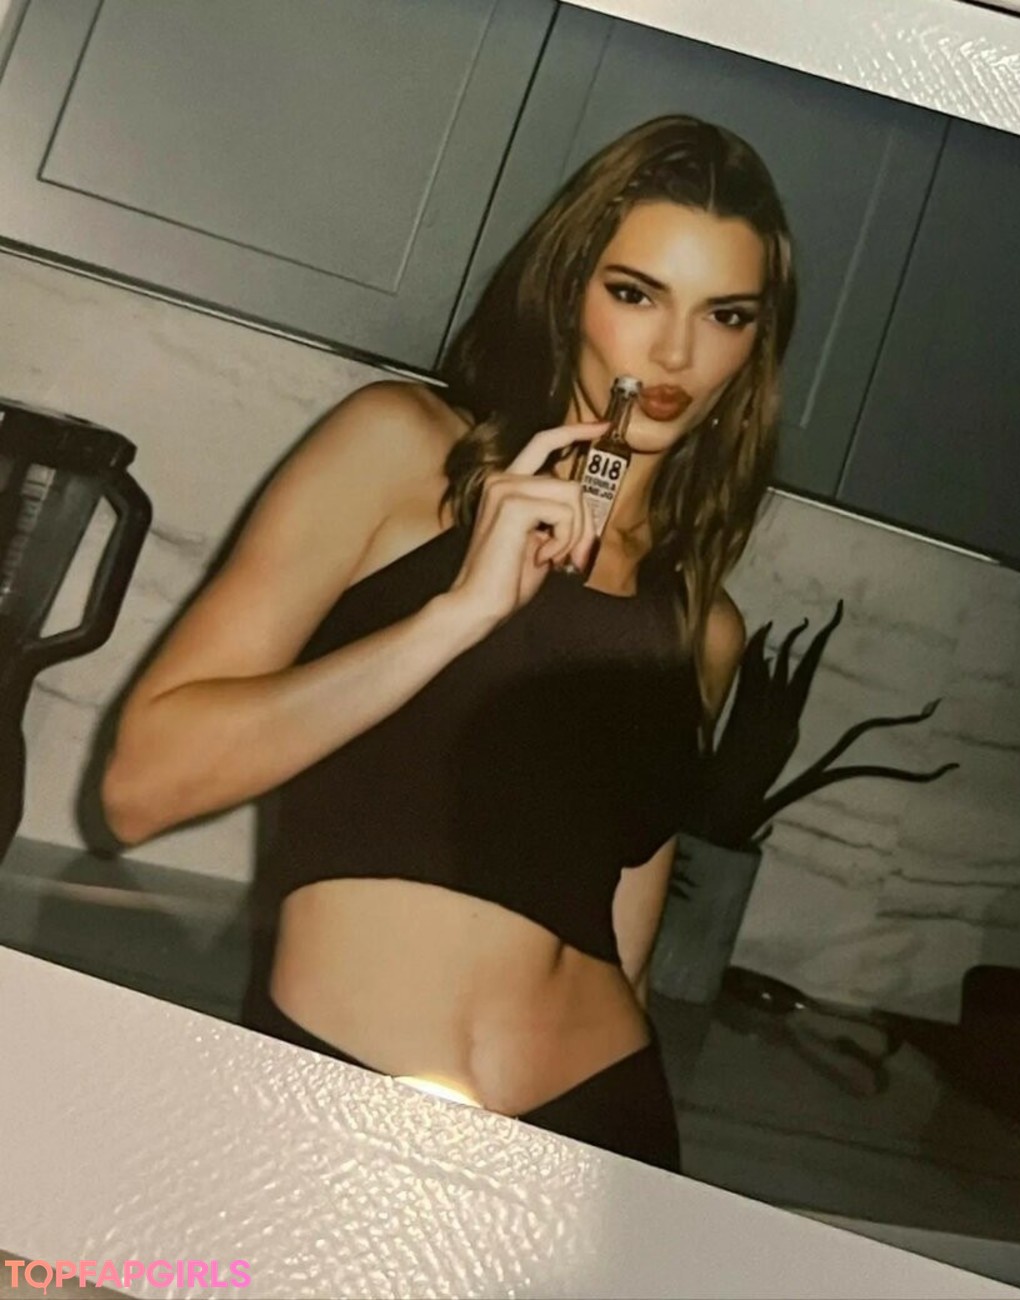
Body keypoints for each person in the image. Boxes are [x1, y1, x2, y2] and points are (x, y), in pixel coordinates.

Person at [101, 115, 796, 1172]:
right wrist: (458, 614)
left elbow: (625, 935)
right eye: (635, 293)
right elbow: (139, 790)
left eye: (725, 314)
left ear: (755, 345)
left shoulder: (703, 623)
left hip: (600, 1128)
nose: (674, 353)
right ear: (568, 289)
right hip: (341, 1112)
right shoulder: (399, 452)